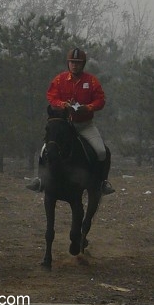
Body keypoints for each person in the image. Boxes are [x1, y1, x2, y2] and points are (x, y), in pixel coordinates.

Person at [26, 47, 115, 195]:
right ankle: (40, 180)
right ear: (68, 63)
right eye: (72, 62)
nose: (74, 65)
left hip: (85, 125)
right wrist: (63, 104)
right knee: (44, 150)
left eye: (78, 63)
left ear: (83, 64)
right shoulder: (59, 80)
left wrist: (88, 107)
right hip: (65, 126)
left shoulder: (91, 81)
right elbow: (51, 97)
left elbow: (100, 100)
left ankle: (102, 182)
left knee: (101, 151)